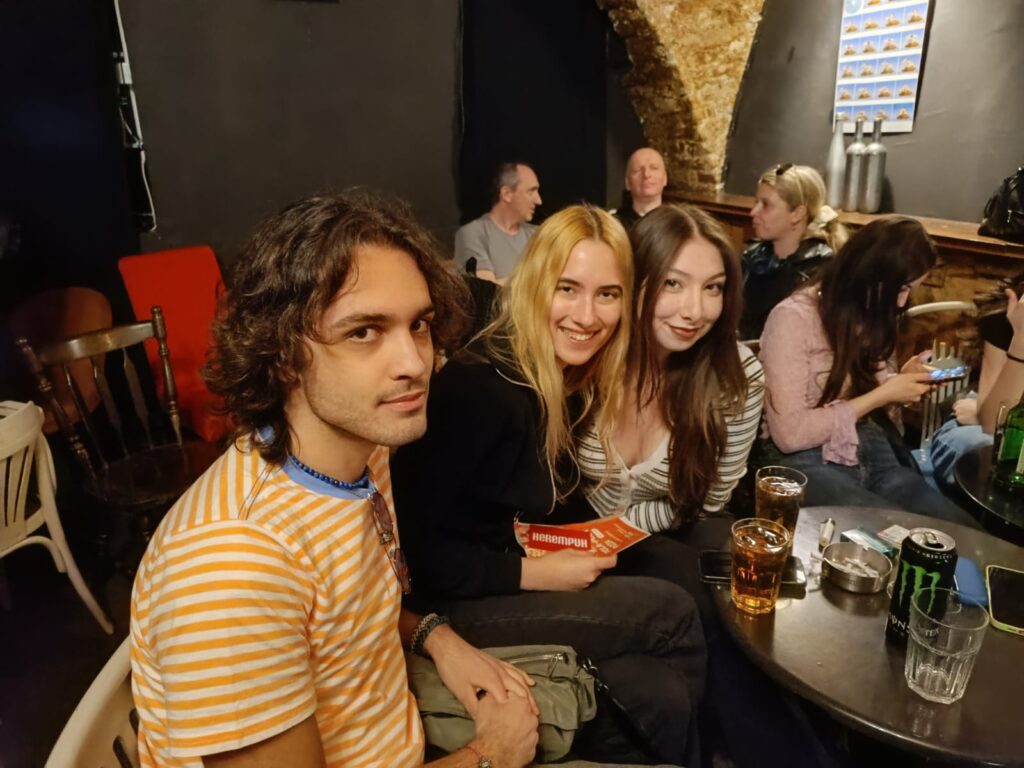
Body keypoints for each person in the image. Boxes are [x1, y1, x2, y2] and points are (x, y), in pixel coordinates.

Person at [129, 191, 541, 768]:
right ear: (281, 354)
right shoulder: (233, 564)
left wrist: (436, 637)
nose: (415, 363)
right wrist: (490, 754)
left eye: (419, 325)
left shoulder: (363, 451)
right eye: (363, 332)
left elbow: (340, 619)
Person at [392, 204, 707, 766]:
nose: (587, 315)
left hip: (503, 562)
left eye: (607, 294)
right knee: (672, 611)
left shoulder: (559, 377)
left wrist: (602, 537)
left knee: (682, 567)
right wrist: (537, 572)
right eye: (568, 289)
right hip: (445, 601)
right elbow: (412, 555)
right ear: (536, 284)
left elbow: (551, 497)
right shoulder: (481, 390)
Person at [759, 216, 980, 527]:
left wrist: (897, 383)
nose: (903, 301)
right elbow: (789, 435)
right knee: (892, 533)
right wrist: (883, 394)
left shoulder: (872, 312)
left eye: (910, 290)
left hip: (874, 448)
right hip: (807, 458)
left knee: (960, 532)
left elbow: (867, 397)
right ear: (869, 271)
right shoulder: (792, 319)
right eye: (901, 288)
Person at [577, 204, 763, 534]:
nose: (695, 311)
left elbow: (710, 499)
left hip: (670, 537)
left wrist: (608, 534)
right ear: (633, 279)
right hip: (565, 530)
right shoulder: (591, 347)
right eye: (673, 283)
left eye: (713, 287)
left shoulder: (737, 374)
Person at [930, 278, 1024, 488]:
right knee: (986, 451)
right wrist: (1021, 343)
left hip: (996, 424)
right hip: (979, 431)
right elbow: (993, 421)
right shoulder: (1008, 313)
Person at [741, 163, 848, 339]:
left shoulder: (822, 270)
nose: (753, 212)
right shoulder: (751, 258)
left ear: (797, 213)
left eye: (766, 205)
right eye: (756, 202)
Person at [454, 162, 542, 284]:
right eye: (531, 191)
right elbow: (488, 290)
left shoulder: (539, 234)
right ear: (507, 194)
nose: (539, 201)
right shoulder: (472, 234)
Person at [614, 147, 668, 229]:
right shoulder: (614, 225)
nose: (646, 174)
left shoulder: (678, 223)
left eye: (654, 168)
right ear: (627, 183)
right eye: (637, 170)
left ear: (665, 178)